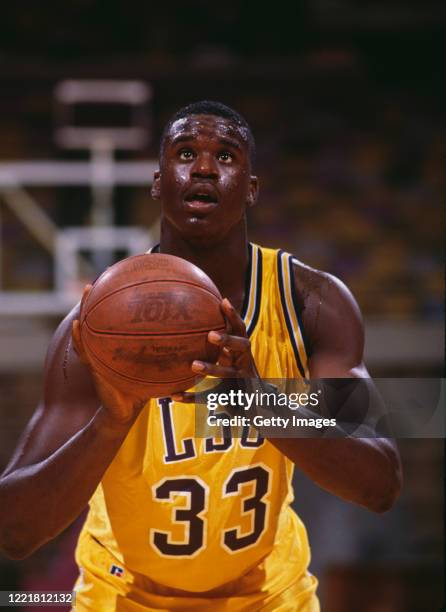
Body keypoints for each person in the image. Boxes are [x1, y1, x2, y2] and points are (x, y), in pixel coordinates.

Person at [0, 101, 402, 611]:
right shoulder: (96, 332)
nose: (206, 168)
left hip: (269, 593)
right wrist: (112, 420)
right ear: (157, 181)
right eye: (186, 152)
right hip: (120, 592)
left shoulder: (313, 305)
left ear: (252, 188)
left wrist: (257, 402)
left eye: (227, 155)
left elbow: (379, 484)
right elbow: (14, 532)